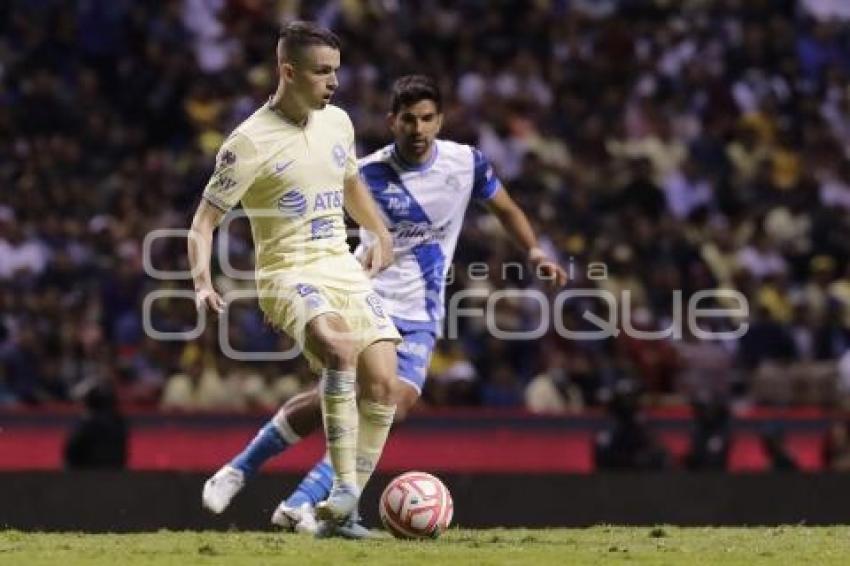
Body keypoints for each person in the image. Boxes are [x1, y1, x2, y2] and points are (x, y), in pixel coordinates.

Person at [202, 74, 567, 536]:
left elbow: (508, 210)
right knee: (369, 397)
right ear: (392, 122)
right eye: (409, 120)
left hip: (423, 310)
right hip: (362, 294)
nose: (418, 129)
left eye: (428, 119)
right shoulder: (364, 172)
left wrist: (533, 250)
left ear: (441, 120)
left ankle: (300, 499)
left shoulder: (466, 164)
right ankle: (294, 495)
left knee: (383, 403)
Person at [189, 21, 401, 531]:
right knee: (340, 346)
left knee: (383, 384)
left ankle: (337, 508)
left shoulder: (338, 123)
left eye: (336, 71)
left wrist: (380, 233)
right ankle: (346, 490)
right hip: (286, 272)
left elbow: (349, 182)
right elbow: (203, 223)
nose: (333, 82)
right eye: (322, 72)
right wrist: (202, 281)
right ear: (289, 71)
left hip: (340, 265)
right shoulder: (247, 143)